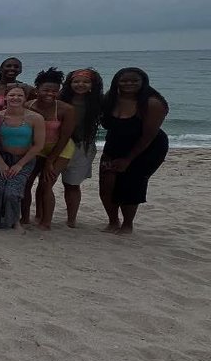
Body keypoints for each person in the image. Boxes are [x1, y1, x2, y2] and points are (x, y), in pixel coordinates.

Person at [99, 67, 169, 235]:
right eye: (124, 80)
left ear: (143, 82)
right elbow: (106, 123)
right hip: (115, 142)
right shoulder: (111, 98)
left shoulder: (151, 103)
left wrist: (128, 159)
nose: (128, 83)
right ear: (117, 82)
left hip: (147, 147)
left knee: (131, 184)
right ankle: (113, 221)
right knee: (106, 184)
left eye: (134, 80)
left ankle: (127, 224)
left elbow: (148, 136)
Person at [23, 67, 76, 230]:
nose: (50, 94)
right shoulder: (28, 105)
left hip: (60, 148)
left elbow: (65, 138)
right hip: (36, 148)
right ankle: (24, 218)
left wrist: (50, 161)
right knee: (26, 183)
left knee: (46, 184)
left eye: (55, 91)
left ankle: (46, 221)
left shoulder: (66, 109)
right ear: (37, 89)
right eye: (46, 90)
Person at [0, 84, 45, 231]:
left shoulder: (36, 118)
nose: (15, 98)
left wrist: (20, 164)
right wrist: (0, 162)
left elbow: (38, 145)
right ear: (5, 97)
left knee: (12, 193)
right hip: (1, 158)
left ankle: (14, 221)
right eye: (12, 95)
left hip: (24, 159)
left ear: (25, 98)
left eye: (20, 95)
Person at [60, 68, 105, 227]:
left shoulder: (99, 101)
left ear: (93, 84)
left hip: (82, 146)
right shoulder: (61, 99)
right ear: (69, 83)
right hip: (58, 144)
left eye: (86, 82)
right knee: (47, 182)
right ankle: (41, 215)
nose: (80, 84)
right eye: (76, 81)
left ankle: (71, 219)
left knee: (72, 184)